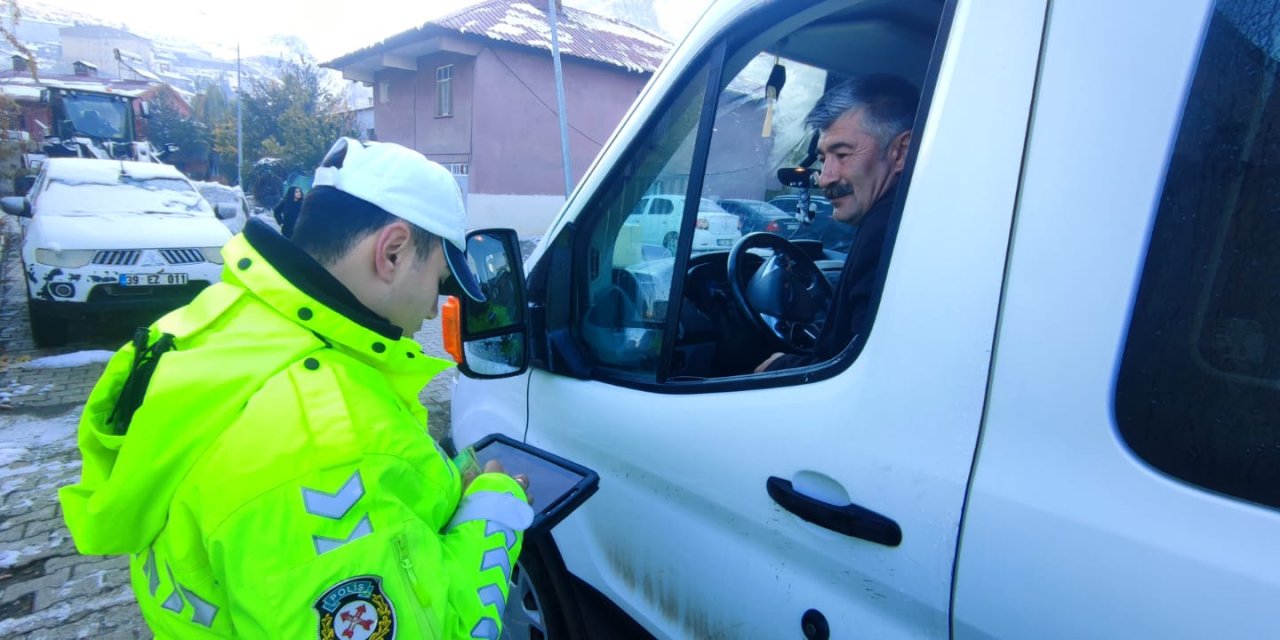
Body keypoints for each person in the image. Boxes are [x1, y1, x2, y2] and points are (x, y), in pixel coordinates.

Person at [59, 138, 533, 639]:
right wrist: (492, 509)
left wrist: (438, 488)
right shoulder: (328, 444)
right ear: (392, 253)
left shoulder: (213, 322)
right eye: (439, 280)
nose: (433, 308)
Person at [758, 75, 917, 372]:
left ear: (901, 152)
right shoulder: (906, 217)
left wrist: (778, 367)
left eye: (842, 155)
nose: (824, 177)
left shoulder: (887, 232)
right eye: (823, 158)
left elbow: (862, 372)